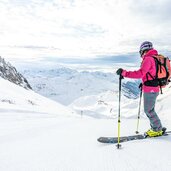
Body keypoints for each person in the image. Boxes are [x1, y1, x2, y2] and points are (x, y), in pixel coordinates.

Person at [116, 41, 164, 137]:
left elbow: (140, 73)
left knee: (148, 110)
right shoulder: (155, 58)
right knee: (150, 109)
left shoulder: (148, 59)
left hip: (150, 89)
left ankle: (157, 129)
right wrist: (144, 84)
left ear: (143, 51)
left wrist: (124, 73)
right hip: (153, 87)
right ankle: (157, 127)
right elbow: (151, 75)